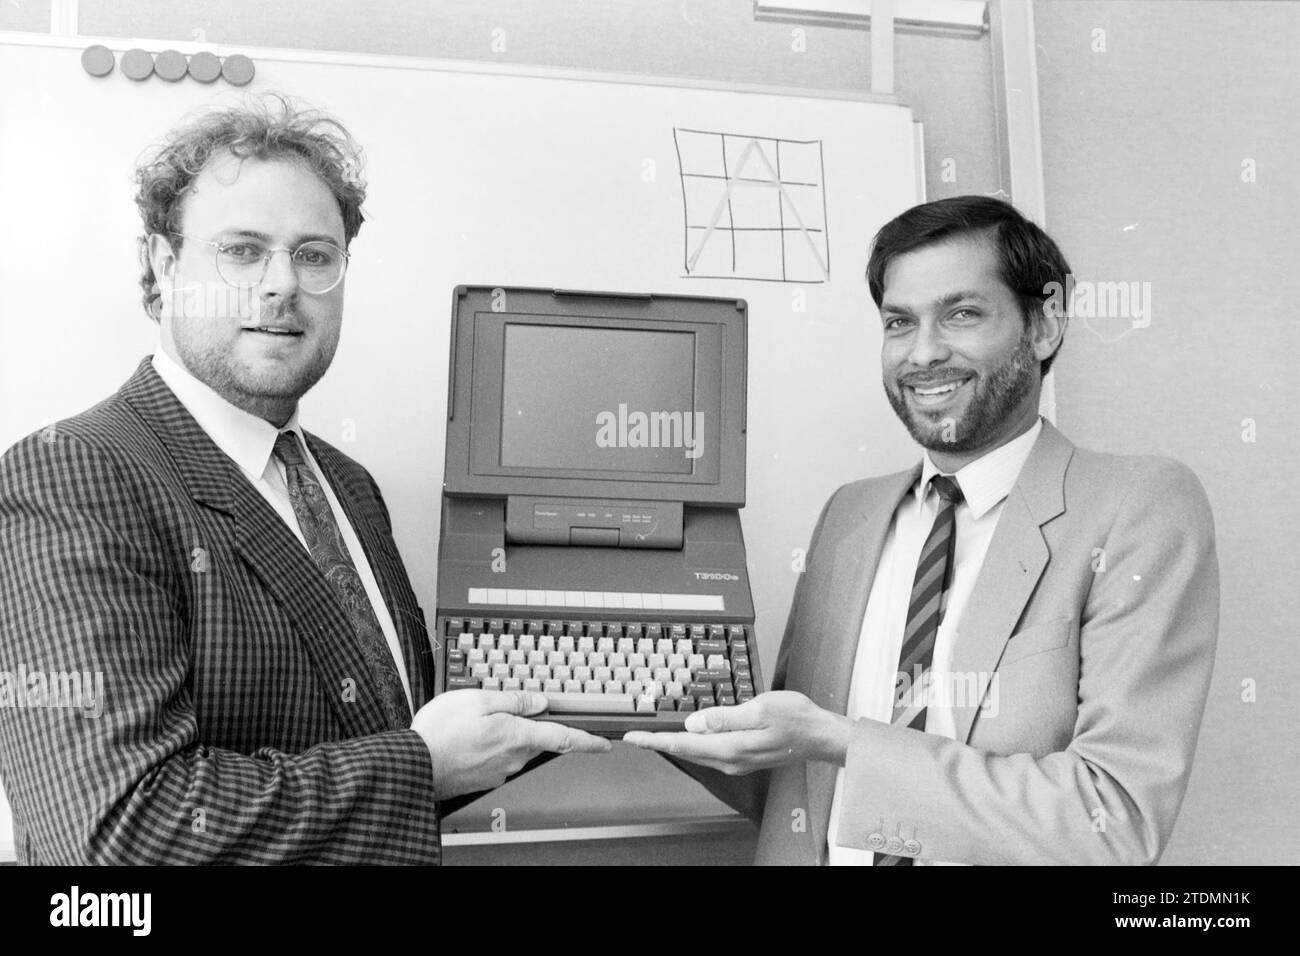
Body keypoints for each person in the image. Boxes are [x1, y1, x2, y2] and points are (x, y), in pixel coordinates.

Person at [0, 96, 608, 865]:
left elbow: (402, 743)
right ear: (162, 267)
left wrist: (648, 703)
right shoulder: (71, 475)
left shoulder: (348, 487)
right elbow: (119, 832)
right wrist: (420, 764)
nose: (282, 284)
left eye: (314, 254)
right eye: (243, 251)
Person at [627, 196, 1219, 865]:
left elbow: (1111, 820)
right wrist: (623, 696)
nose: (924, 353)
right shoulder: (848, 515)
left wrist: (845, 741)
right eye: (899, 323)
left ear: (1045, 323)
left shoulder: (1138, 505)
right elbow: (801, 783)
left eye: (962, 314)